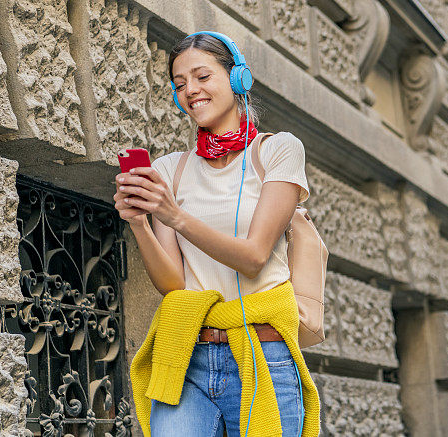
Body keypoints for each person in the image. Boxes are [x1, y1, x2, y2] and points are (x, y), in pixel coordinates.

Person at [114, 32, 318, 436]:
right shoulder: (171, 168)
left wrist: (175, 216)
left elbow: (255, 256)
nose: (191, 90)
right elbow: (173, 283)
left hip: (262, 352)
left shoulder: (277, 151)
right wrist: (139, 223)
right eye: (180, 83)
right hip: (188, 353)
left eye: (202, 76)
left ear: (238, 78)